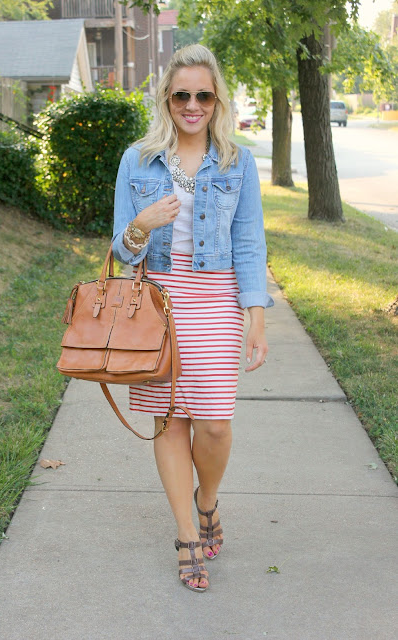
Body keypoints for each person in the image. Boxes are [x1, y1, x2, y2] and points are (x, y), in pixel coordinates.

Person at [112, 44, 274, 592]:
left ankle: (208, 500)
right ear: (166, 98)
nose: (192, 105)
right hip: (158, 304)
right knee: (169, 421)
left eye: (204, 95)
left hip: (215, 300)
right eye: (181, 94)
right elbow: (121, 250)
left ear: (217, 100)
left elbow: (249, 242)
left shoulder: (236, 161)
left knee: (214, 424)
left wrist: (255, 315)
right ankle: (187, 536)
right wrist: (142, 224)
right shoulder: (137, 160)